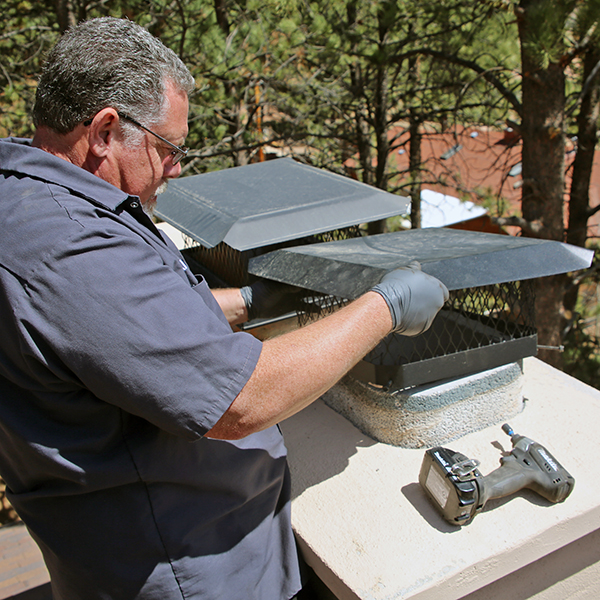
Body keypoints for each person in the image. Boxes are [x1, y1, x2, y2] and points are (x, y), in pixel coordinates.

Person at [0, 17, 448, 600]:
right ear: (106, 130)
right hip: (187, 568)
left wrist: (250, 302)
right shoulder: (70, 244)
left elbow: (116, 324)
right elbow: (242, 400)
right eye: (168, 148)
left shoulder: (25, 193)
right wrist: (385, 306)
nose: (177, 168)